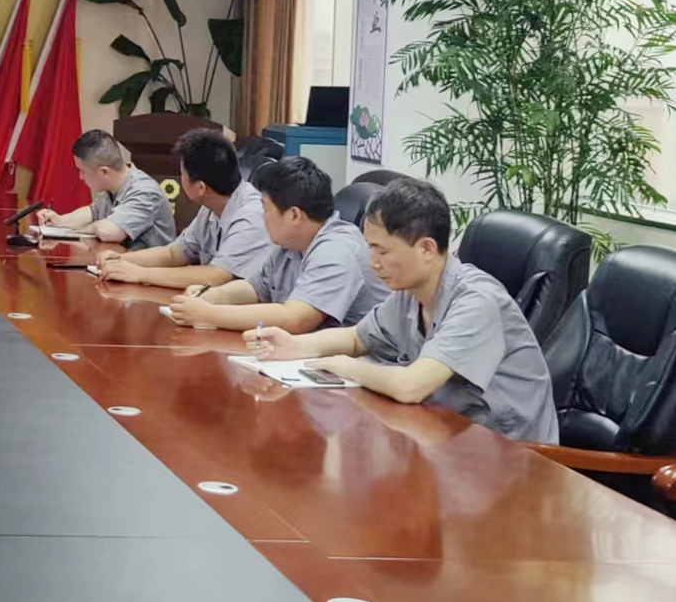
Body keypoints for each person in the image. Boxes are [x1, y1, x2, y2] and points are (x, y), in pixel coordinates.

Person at [246, 178, 559, 443]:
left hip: (512, 457)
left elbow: (411, 386)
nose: (373, 263)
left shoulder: (478, 301)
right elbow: (357, 338)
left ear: (426, 248)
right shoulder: (411, 293)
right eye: (370, 249)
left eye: (382, 251)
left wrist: (343, 366)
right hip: (448, 437)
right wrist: (293, 345)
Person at [168, 157, 388, 332]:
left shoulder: (337, 249)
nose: (262, 217)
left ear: (294, 215)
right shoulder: (291, 243)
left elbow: (296, 319)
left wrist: (208, 315)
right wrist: (210, 296)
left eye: (265, 208)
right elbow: (255, 288)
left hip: (364, 363)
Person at [94, 129, 276, 291]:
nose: (181, 178)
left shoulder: (252, 215)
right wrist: (122, 259)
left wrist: (140, 274)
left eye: (182, 173)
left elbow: (217, 276)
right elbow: (174, 253)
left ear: (201, 187)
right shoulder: (212, 205)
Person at [34, 129, 174, 246]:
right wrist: (61, 221)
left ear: (104, 172)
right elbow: (93, 212)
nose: (81, 177)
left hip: (149, 269)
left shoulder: (144, 191)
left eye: (83, 171)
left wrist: (85, 229)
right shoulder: (115, 187)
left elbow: (110, 232)